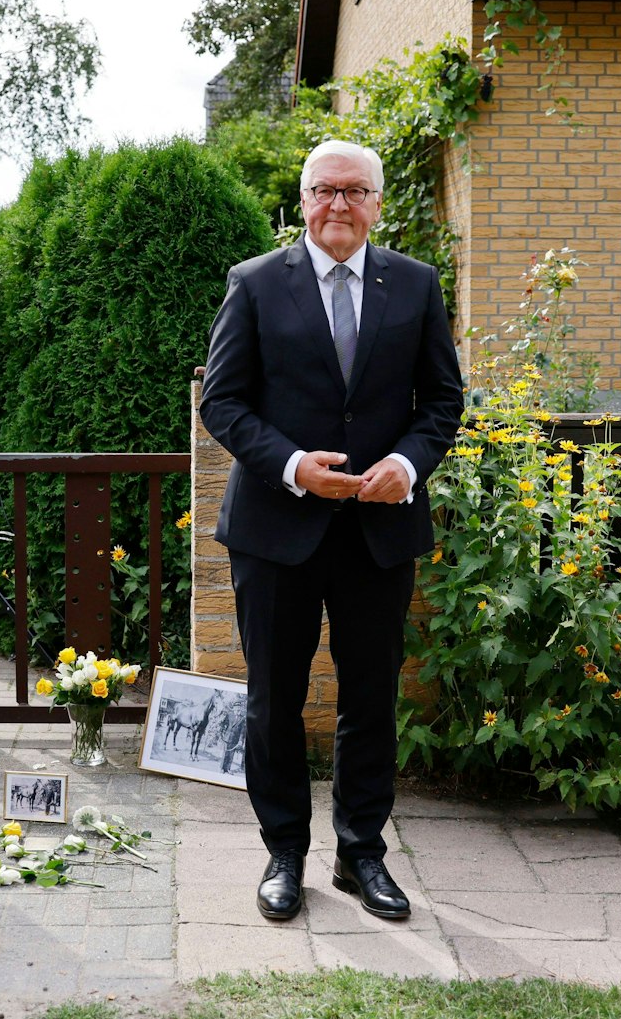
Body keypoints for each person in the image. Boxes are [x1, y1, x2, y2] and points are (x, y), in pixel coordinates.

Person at [200, 139, 464, 921]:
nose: (340, 205)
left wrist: (409, 467)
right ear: (304, 199)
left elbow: (441, 402)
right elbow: (223, 401)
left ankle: (361, 852)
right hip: (277, 529)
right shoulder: (254, 284)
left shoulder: (414, 285)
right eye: (325, 190)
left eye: (355, 191)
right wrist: (291, 465)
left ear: (377, 203)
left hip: (377, 532)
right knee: (274, 698)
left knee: (371, 697)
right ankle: (284, 851)